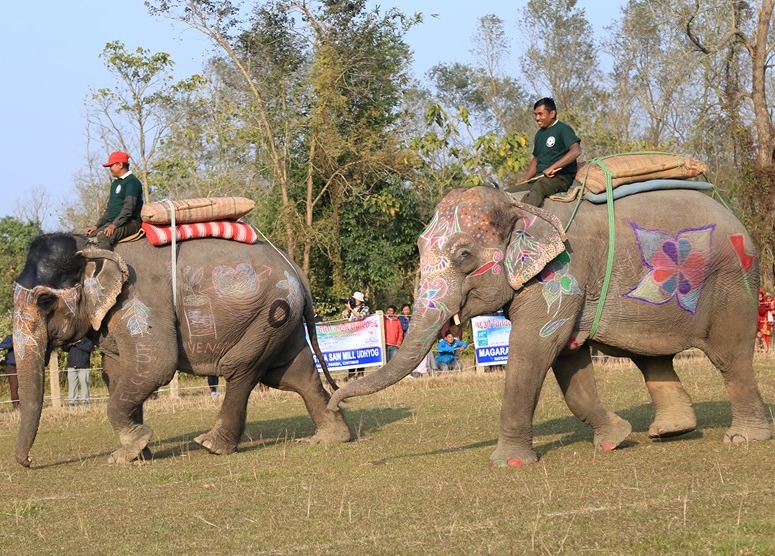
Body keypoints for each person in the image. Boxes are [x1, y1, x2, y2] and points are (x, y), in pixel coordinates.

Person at [506, 97, 581, 207]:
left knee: (539, 188)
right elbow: (536, 159)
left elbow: (576, 151)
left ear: (552, 113)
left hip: (559, 177)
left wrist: (552, 168)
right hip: (539, 177)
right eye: (535, 114)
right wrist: (526, 180)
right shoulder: (539, 134)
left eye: (540, 114)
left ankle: (525, 218)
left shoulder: (563, 129)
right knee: (508, 192)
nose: (537, 118)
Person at [85, 151, 144, 250]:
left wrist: (114, 225)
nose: (110, 169)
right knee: (87, 238)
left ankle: (109, 265)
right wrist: (96, 225)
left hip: (130, 223)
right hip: (114, 222)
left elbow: (128, 209)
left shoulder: (132, 182)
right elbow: (110, 210)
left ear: (120, 165)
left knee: (103, 238)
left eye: (111, 166)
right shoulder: (115, 184)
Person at [342, 291, 369, 380]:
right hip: (351, 337)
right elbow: (345, 319)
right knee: (351, 356)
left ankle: (360, 374)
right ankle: (351, 375)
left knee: (360, 355)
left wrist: (351, 309)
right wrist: (347, 309)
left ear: (360, 301)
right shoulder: (351, 309)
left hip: (361, 336)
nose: (354, 301)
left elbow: (360, 317)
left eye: (355, 300)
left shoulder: (365, 308)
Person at [64, 336, 95, 405]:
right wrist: (70, 344)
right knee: (72, 384)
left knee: (84, 383)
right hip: (72, 365)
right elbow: (64, 348)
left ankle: (85, 401)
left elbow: (90, 348)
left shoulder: (87, 339)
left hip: (83, 366)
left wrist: (77, 344)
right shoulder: (70, 338)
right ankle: (72, 401)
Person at [0, 334, 20, 410]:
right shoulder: (11, 337)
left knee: (25, 386)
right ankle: (16, 407)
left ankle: (27, 406)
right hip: (12, 366)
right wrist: (14, 341)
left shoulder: (27, 337)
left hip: (24, 365)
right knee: (14, 387)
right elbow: (3, 346)